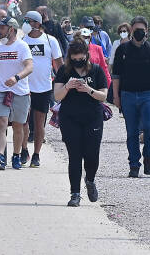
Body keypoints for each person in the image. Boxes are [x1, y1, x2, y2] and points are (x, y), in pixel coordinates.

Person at [53, 37, 108, 206]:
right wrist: (68, 87)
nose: (78, 61)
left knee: (92, 155)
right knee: (75, 156)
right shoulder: (64, 71)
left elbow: (103, 95)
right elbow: (57, 96)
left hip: (93, 117)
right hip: (70, 118)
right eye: (74, 59)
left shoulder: (96, 71)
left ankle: (90, 180)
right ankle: (75, 193)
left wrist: (88, 89)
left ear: (87, 55)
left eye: (81, 58)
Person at [111, 16, 150, 177]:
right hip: (127, 95)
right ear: (131, 31)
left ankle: (148, 155)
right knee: (132, 132)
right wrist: (116, 96)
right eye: (136, 30)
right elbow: (116, 76)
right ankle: (134, 165)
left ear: (147, 31)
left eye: (142, 30)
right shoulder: (122, 50)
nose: (139, 33)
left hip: (148, 95)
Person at [0, 18, 33, 170]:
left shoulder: (22, 46)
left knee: (18, 126)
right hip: (0, 90)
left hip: (20, 91)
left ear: (11, 29)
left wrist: (17, 77)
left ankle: (16, 155)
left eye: (2, 28)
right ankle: (0, 156)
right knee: (1, 122)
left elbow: (29, 67)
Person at [19, 11, 62, 167]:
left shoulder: (51, 41)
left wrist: (62, 84)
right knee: (23, 122)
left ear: (37, 23)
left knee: (39, 124)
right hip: (24, 88)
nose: (25, 23)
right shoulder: (22, 40)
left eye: (28, 21)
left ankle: (36, 154)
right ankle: (24, 150)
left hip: (43, 88)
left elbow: (59, 65)